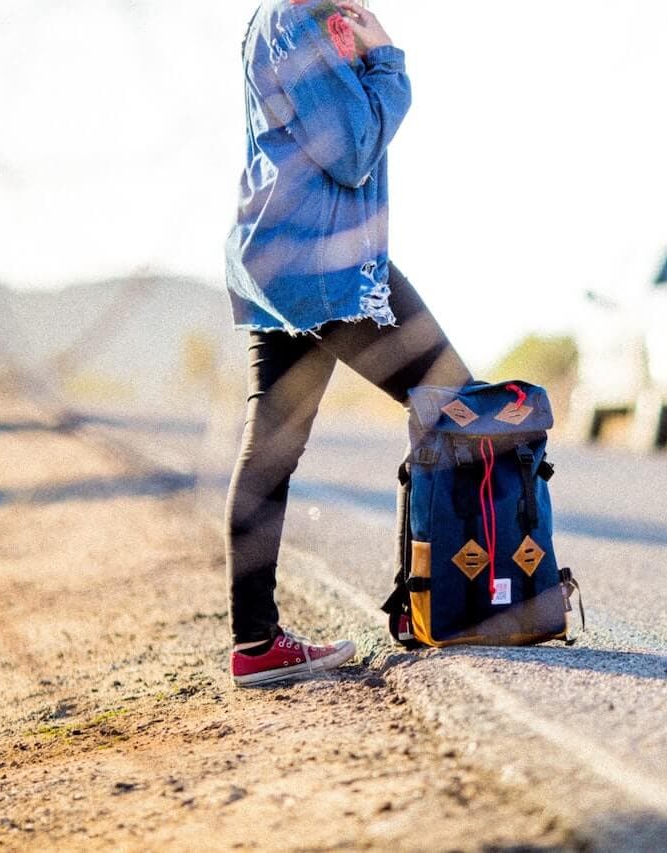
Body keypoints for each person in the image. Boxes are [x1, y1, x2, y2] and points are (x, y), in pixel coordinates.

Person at [223, 0, 471, 687]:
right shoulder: (299, 19)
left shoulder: (291, 18)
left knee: (270, 448)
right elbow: (353, 152)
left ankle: (256, 642)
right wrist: (389, 65)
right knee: (455, 399)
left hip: (282, 259)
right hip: (326, 265)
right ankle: (428, 604)